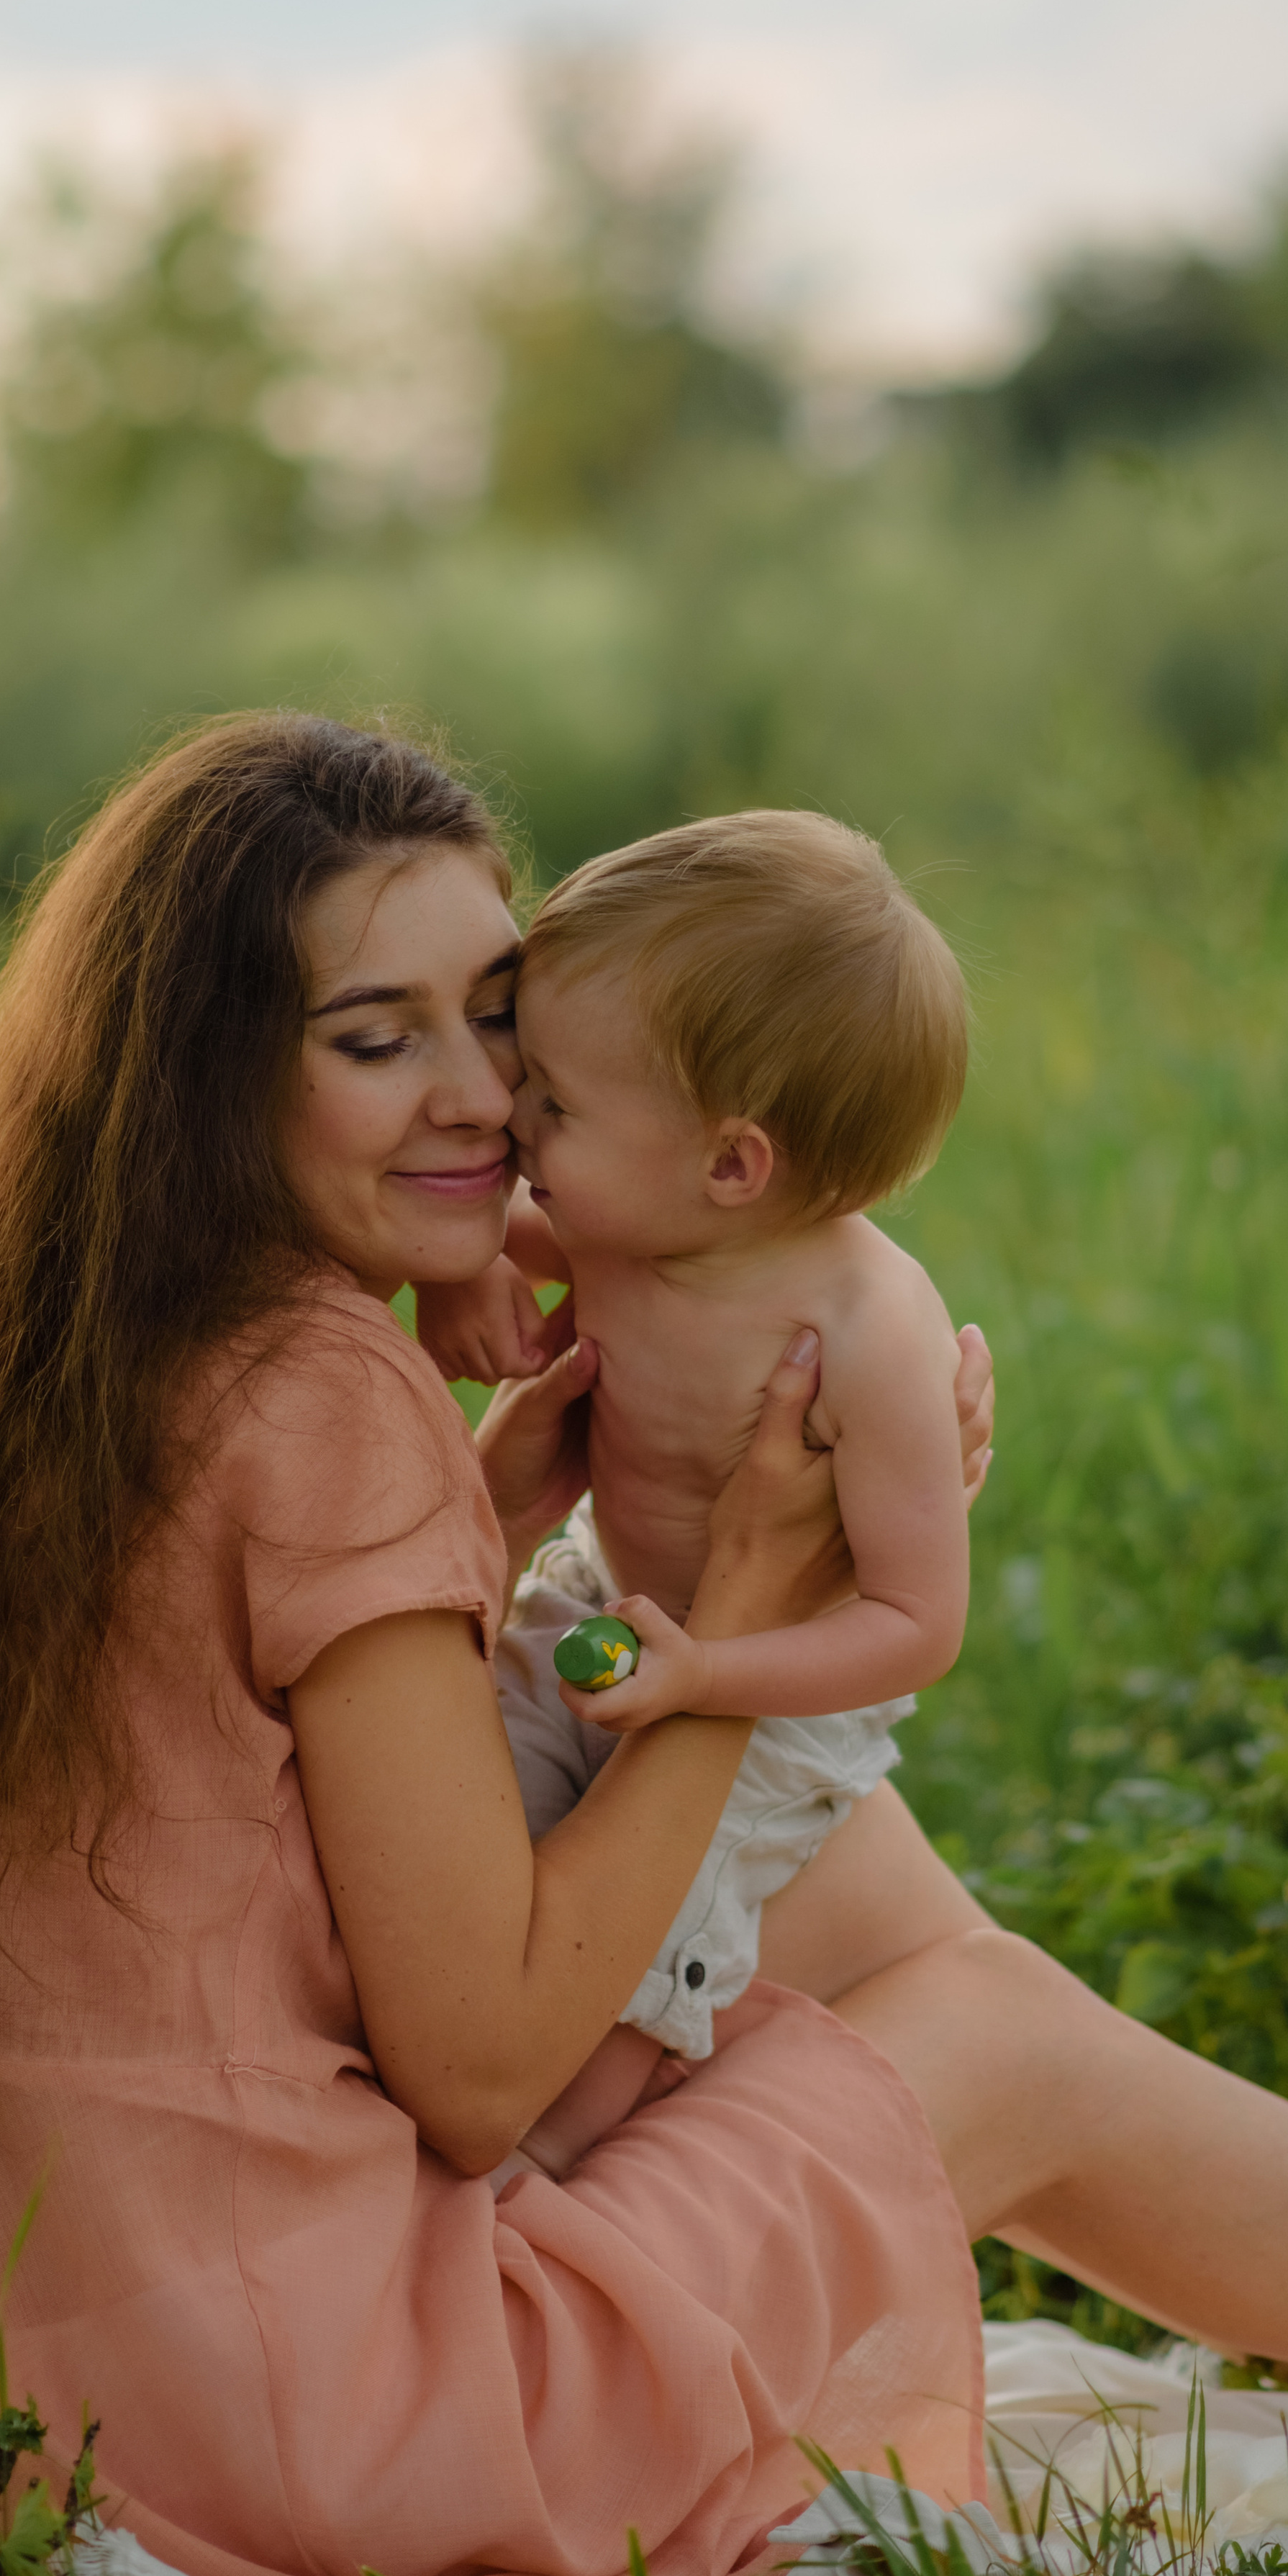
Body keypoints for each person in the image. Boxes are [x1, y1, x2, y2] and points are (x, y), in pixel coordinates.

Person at [0, 716, 1288, 2576]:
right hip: (314, 2439)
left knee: (849, 1876)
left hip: (7, 2390)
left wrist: (491, 1504)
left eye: (497, 1017)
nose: (481, 1099)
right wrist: (751, 1611)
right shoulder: (321, 1395)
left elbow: (246, 1782)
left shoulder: (66, 1353)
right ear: (212, 1071)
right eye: (374, 1041)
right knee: (1003, 2024)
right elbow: (473, 2075)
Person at [414, 810, 975, 2174]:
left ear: (732, 1163)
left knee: (647, 1952)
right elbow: (462, 1231)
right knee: (465, 1828)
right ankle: (439, 2092)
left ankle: (548, 2175)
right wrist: (456, 1274)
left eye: (554, 1102)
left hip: (770, 1694)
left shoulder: (867, 1332)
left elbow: (918, 1623)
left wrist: (712, 1674)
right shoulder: (627, 1212)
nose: (510, 1117)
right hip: (602, 1600)